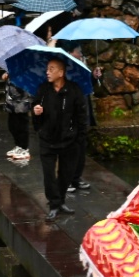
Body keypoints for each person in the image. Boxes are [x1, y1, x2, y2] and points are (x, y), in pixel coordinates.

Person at [34, 54, 91, 221]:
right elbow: (35, 106)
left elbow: (82, 115)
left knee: (66, 174)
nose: (47, 72)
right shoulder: (43, 89)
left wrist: (80, 138)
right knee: (49, 174)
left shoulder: (74, 90)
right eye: (47, 69)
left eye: (51, 69)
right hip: (47, 139)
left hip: (69, 140)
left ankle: (61, 201)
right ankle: (53, 204)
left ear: (61, 72)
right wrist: (36, 112)